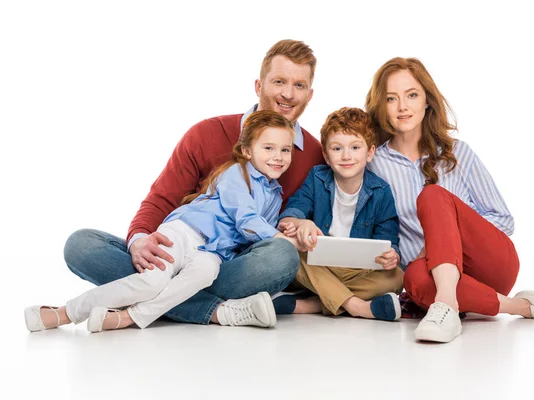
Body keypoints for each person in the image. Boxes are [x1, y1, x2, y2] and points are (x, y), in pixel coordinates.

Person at [62, 40, 324, 327]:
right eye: (279, 81)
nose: (288, 93)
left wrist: (298, 226)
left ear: (310, 94)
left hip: (232, 265)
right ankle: (215, 311)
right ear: (259, 86)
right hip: (179, 248)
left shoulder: (314, 155)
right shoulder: (207, 133)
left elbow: (300, 218)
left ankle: (152, 295)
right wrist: (139, 241)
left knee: (281, 257)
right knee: (82, 246)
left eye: (299, 85)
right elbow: (161, 199)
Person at [365, 57, 534, 343]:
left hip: (488, 266)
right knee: (415, 279)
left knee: (432, 195)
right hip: (429, 277)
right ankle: (524, 306)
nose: (402, 106)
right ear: (381, 106)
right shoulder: (374, 163)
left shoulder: (457, 152)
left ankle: (444, 304)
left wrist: (441, 240)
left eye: (412, 95)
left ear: (427, 101)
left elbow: (503, 219)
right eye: (391, 98)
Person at [26, 111, 302, 332]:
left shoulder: (275, 194)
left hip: (215, 253)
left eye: (285, 150)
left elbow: (257, 235)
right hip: (185, 234)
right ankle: (64, 312)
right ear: (246, 151)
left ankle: (130, 317)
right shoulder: (235, 174)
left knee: (205, 274)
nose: (278, 157)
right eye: (269, 148)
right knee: (151, 282)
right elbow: (246, 220)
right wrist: (279, 238)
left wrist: (283, 228)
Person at [275, 107, 404, 321]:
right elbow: (289, 216)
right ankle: (357, 307)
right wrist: (300, 222)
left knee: (397, 278)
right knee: (286, 246)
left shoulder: (381, 191)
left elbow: (389, 242)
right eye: (337, 148)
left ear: (370, 152)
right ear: (326, 154)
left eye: (355, 147)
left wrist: (392, 256)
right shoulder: (317, 178)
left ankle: (315, 302)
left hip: (356, 271)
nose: (346, 156)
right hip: (317, 265)